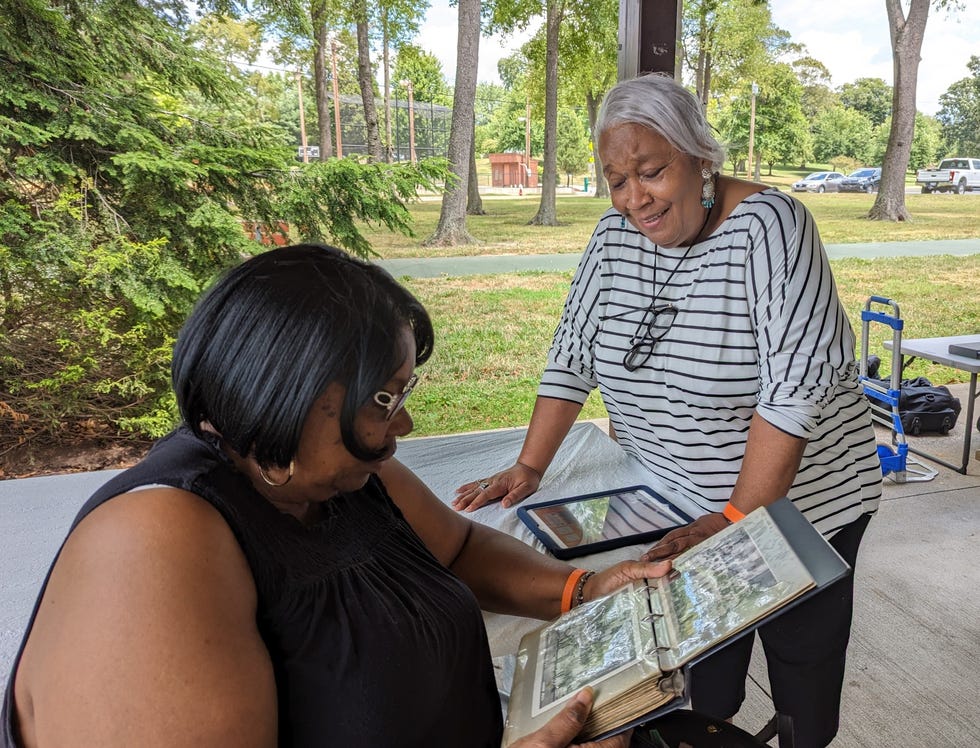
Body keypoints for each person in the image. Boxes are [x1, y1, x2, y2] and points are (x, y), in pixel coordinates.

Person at [2, 244, 671, 748]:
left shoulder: (340, 475)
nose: (403, 423)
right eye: (385, 397)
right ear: (287, 387)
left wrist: (582, 591)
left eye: (404, 394)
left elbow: (459, 547)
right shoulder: (154, 538)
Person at [453, 74, 882, 748]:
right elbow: (573, 352)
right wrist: (530, 464)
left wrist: (736, 518)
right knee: (693, 669)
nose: (634, 200)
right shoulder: (612, 237)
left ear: (700, 156)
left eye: (651, 172)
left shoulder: (770, 228)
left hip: (801, 507)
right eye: (616, 180)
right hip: (675, 502)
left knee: (803, 664)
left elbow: (794, 393)